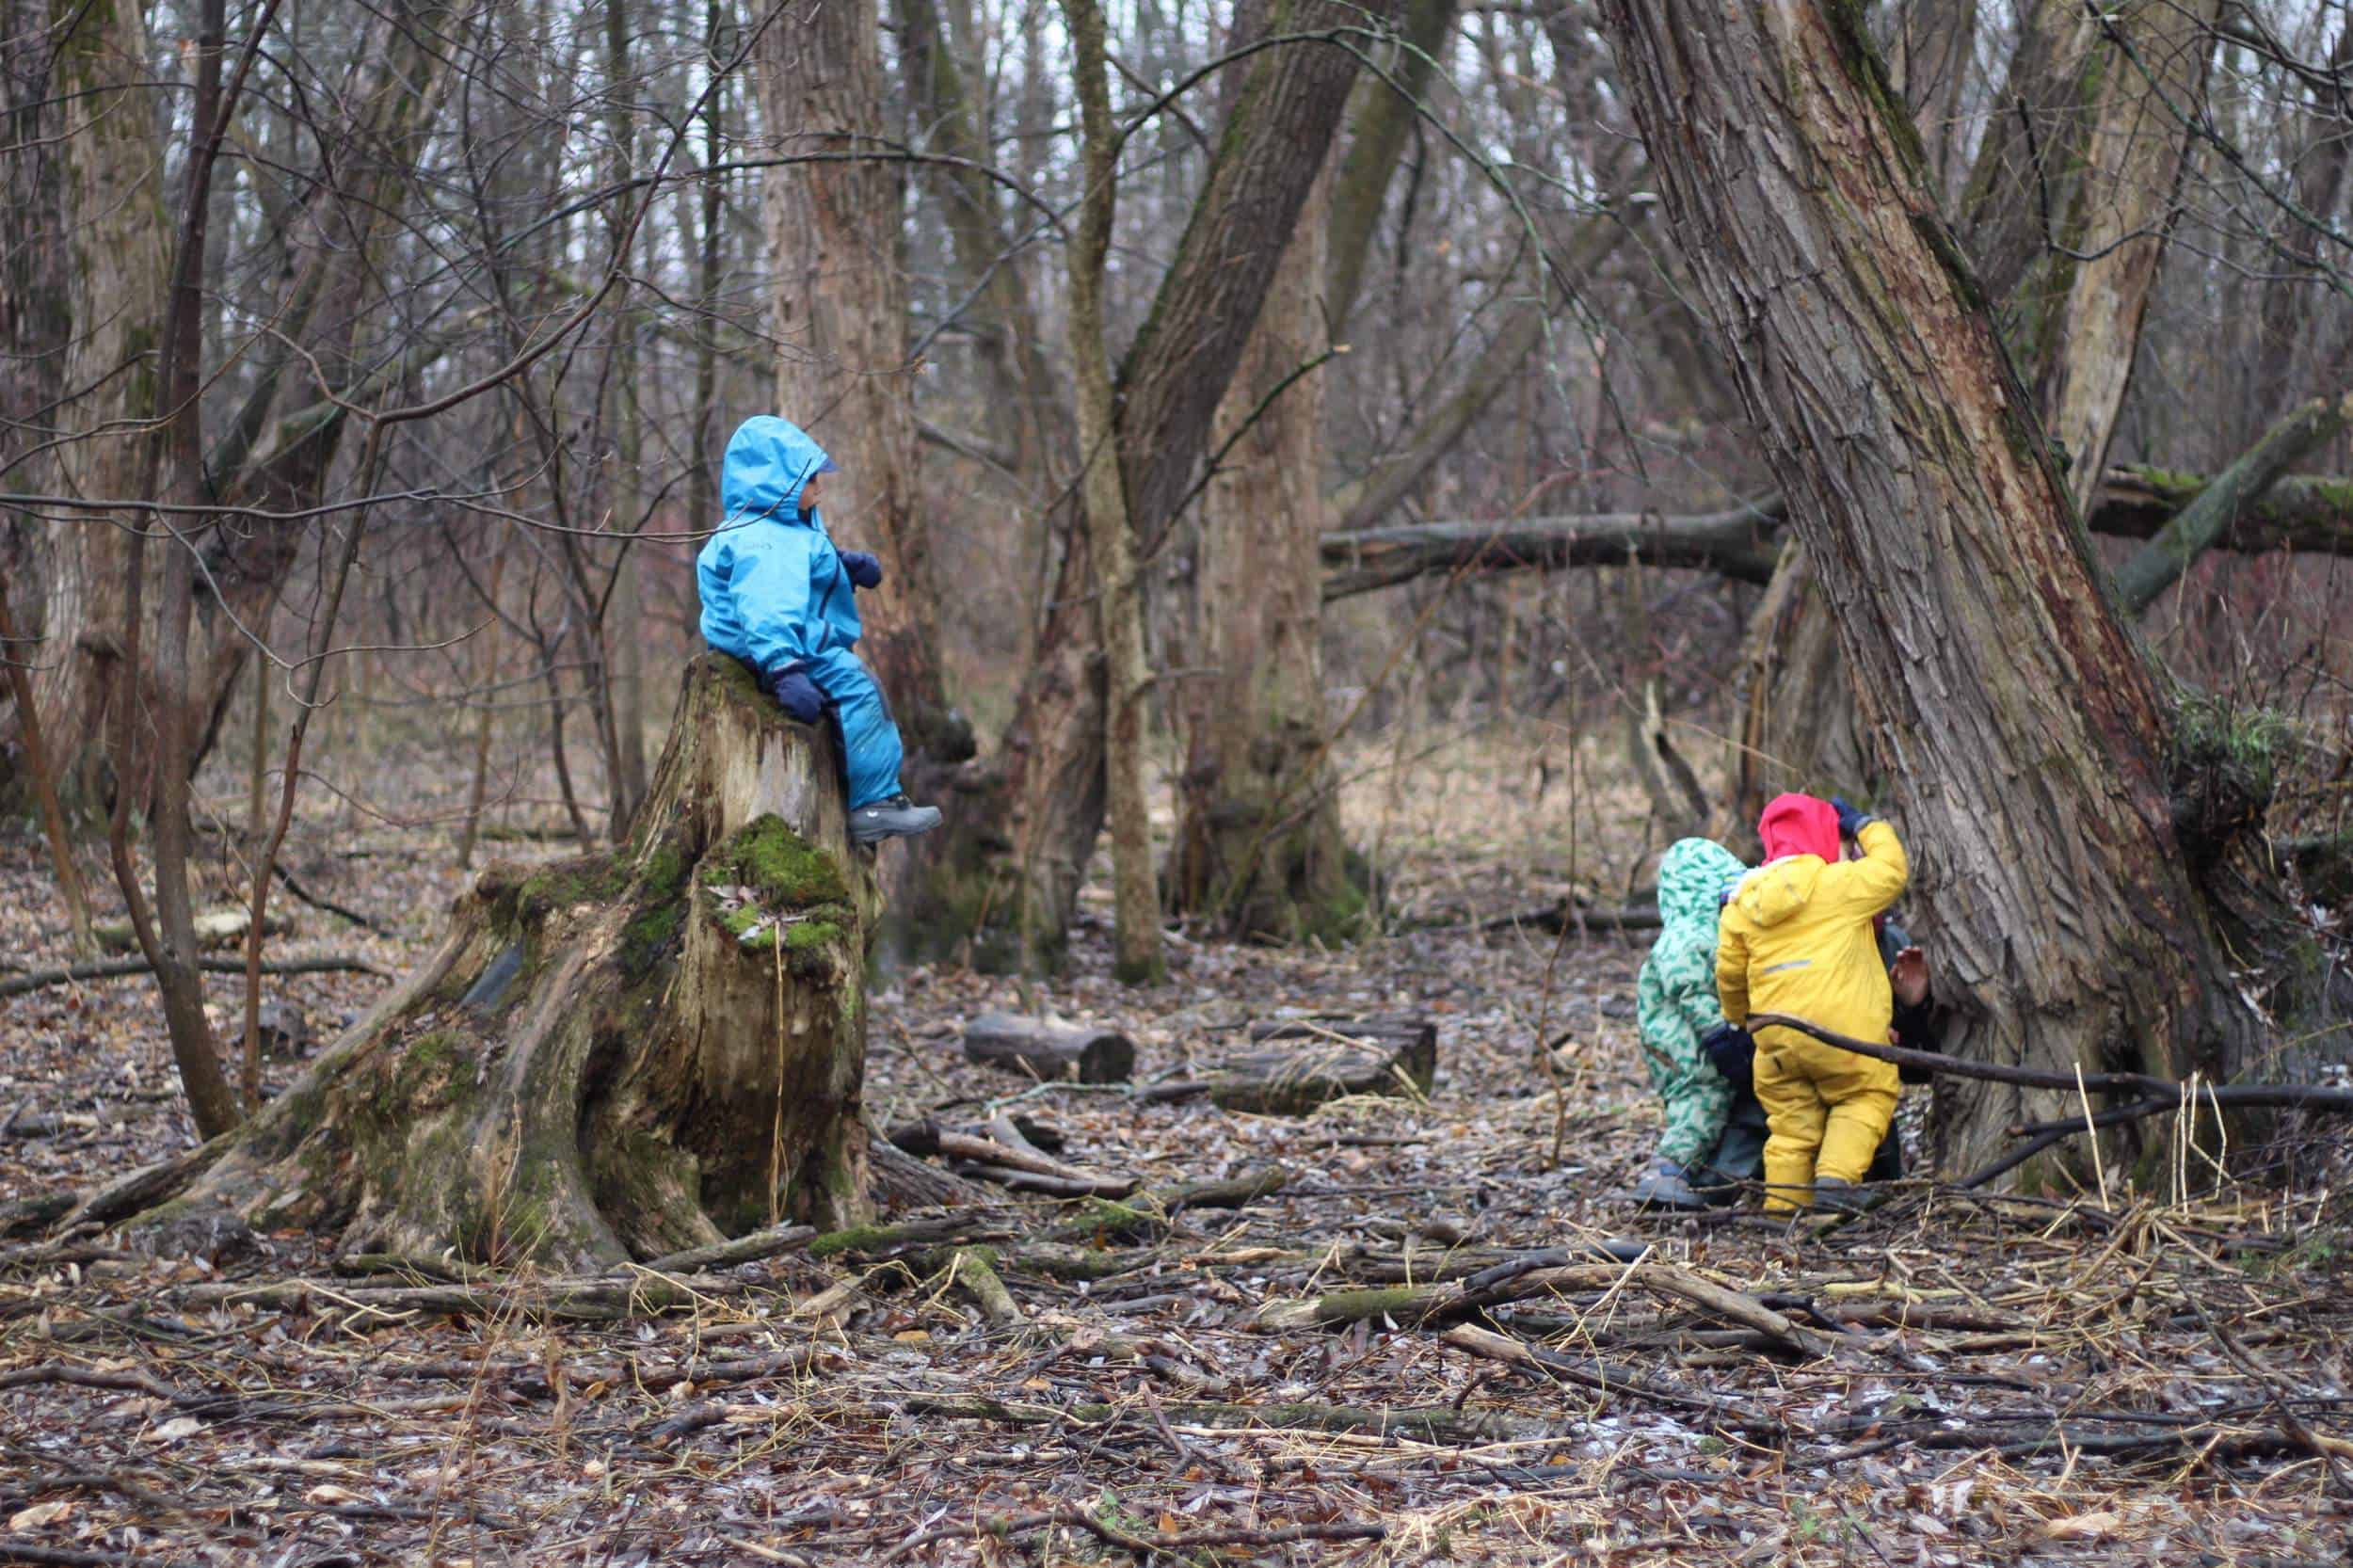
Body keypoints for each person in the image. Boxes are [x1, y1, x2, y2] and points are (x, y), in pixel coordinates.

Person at [696, 415, 941, 845]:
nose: (820, 488)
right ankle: (873, 804)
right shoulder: (763, 541)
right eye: (810, 479)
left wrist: (844, 566)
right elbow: (767, 606)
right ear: (779, 482)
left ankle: (875, 797)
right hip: (775, 647)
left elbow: (804, 566)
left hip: (789, 640)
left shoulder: (782, 529)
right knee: (859, 693)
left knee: (861, 689)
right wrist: (785, 669)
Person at [1714, 792, 1909, 1211]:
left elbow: (1729, 975)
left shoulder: (1742, 903)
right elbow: (1892, 870)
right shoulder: (1840, 885)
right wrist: (1864, 825)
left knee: (1789, 1125)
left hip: (1775, 1037)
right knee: (1865, 1095)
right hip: (1845, 1037)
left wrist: (1738, 1020)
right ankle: (1835, 1183)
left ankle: (1782, 1208)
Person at [1628, 838, 1751, 1209]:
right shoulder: (1687, 938)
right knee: (1701, 1099)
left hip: (1690, 1041)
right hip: (1684, 1044)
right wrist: (1720, 1035)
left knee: (1716, 1102)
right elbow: (1690, 990)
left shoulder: (1708, 933)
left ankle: (1706, 1174)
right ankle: (1666, 1171)